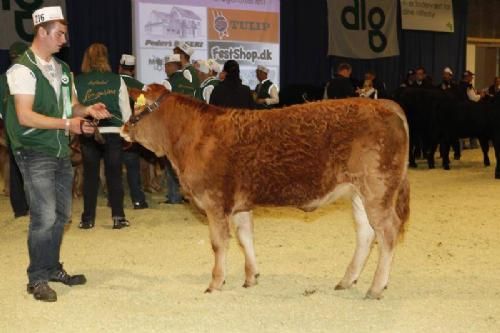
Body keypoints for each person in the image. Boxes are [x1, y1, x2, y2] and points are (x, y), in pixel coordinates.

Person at [5, 6, 111, 302]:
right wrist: (69, 123)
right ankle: (37, 278)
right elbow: (25, 116)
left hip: (60, 150)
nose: (65, 39)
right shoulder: (22, 69)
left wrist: (86, 111)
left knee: (61, 215)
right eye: (60, 33)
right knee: (44, 216)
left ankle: (51, 268)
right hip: (33, 150)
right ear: (42, 32)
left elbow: (72, 105)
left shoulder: (62, 70)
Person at [75, 43, 131, 229]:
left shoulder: (78, 81)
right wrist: (127, 134)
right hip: (113, 133)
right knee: (114, 175)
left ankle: (87, 219)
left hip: (89, 132)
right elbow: (126, 113)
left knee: (90, 176)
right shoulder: (117, 80)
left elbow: (75, 109)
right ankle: (118, 217)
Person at [0, 41, 30, 218]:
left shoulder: (2, 79)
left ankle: (19, 209)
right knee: (36, 168)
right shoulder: (32, 74)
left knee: (15, 168)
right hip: (33, 130)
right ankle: (36, 206)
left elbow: (1, 114)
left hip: (12, 132)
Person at [162, 54, 195, 204]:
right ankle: (188, 195)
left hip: (174, 129)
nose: (165, 69)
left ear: (172, 66)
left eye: (166, 66)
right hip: (190, 127)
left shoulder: (168, 83)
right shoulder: (189, 83)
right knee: (187, 164)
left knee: (172, 163)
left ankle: (174, 196)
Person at [118, 54, 148, 209]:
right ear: (134, 70)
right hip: (131, 130)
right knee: (132, 167)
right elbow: (141, 109)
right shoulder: (141, 87)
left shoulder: (114, 82)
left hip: (114, 128)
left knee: (113, 166)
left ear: (120, 67)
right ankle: (138, 200)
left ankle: (114, 200)